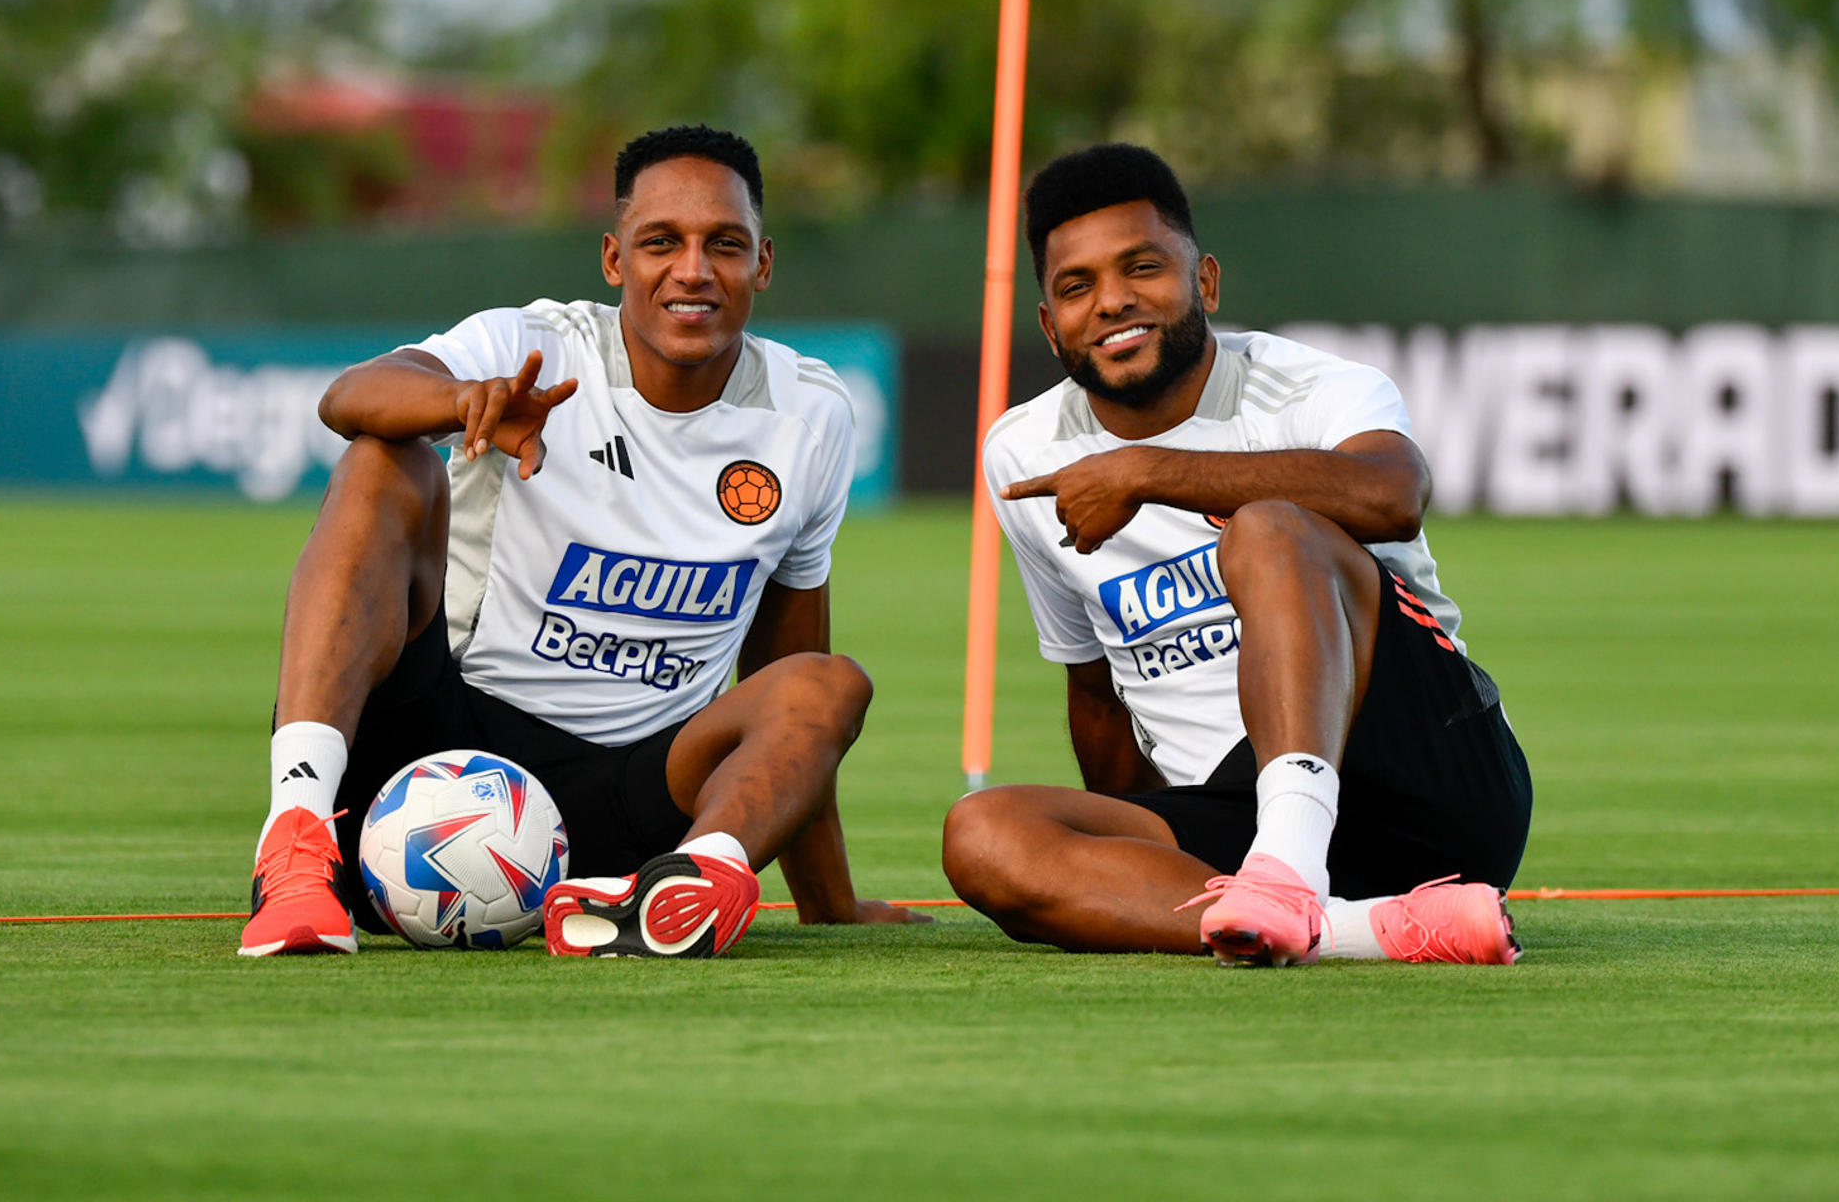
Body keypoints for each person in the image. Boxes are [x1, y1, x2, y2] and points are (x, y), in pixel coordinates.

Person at [240, 124, 927, 959]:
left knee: (828, 685)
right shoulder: (532, 346)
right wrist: (465, 402)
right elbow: (350, 396)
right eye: (661, 243)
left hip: (625, 812)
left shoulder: (810, 417)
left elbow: (786, 677)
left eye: (726, 245)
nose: (694, 270)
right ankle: (297, 846)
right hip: (434, 755)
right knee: (384, 458)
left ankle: (684, 891)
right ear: (613, 260)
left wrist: (830, 906)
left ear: (764, 263)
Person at [942, 144, 1532, 966]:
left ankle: (1290, 871)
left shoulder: (1311, 387)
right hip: (1234, 811)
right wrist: (1121, 866)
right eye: (1076, 287)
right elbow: (1096, 688)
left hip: (1426, 776)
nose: (1111, 302)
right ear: (1048, 326)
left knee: (1266, 529)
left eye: (1141, 267)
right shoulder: (1020, 452)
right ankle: (1355, 931)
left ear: (1205, 283)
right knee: (983, 834)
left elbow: (1394, 495)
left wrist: (1147, 472)